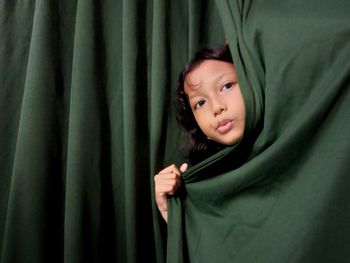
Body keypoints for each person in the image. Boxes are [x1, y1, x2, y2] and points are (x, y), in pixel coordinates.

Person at [154, 46, 246, 222]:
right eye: (200, 103)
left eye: (227, 86)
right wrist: (169, 211)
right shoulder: (202, 183)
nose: (216, 107)